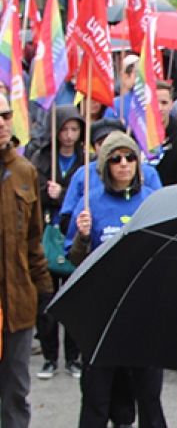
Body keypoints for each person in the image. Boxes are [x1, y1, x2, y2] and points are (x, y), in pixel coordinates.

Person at [65, 131, 167, 428]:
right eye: (116, 159)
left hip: (143, 313)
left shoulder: (153, 200)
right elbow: (75, 260)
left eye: (130, 157)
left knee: (149, 396)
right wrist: (83, 237)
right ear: (105, 166)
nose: (124, 164)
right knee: (97, 396)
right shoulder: (91, 204)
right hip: (101, 314)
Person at [0, 92, 54, 428]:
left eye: (5, 115)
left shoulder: (24, 171)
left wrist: (44, 290)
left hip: (17, 303)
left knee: (16, 393)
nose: (2, 123)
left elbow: (34, 241)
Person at [29, 105, 85, 380]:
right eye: (65, 129)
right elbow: (32, 194)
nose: (69, 136)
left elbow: (83, 196)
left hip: (72, 238)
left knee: (74, 301)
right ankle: (50, 357)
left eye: (75, 130)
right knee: (47, 302)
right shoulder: (41, 159)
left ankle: (74, 357)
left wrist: (62, 194)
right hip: (46, 237)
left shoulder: (84, 161)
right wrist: (46, 192)